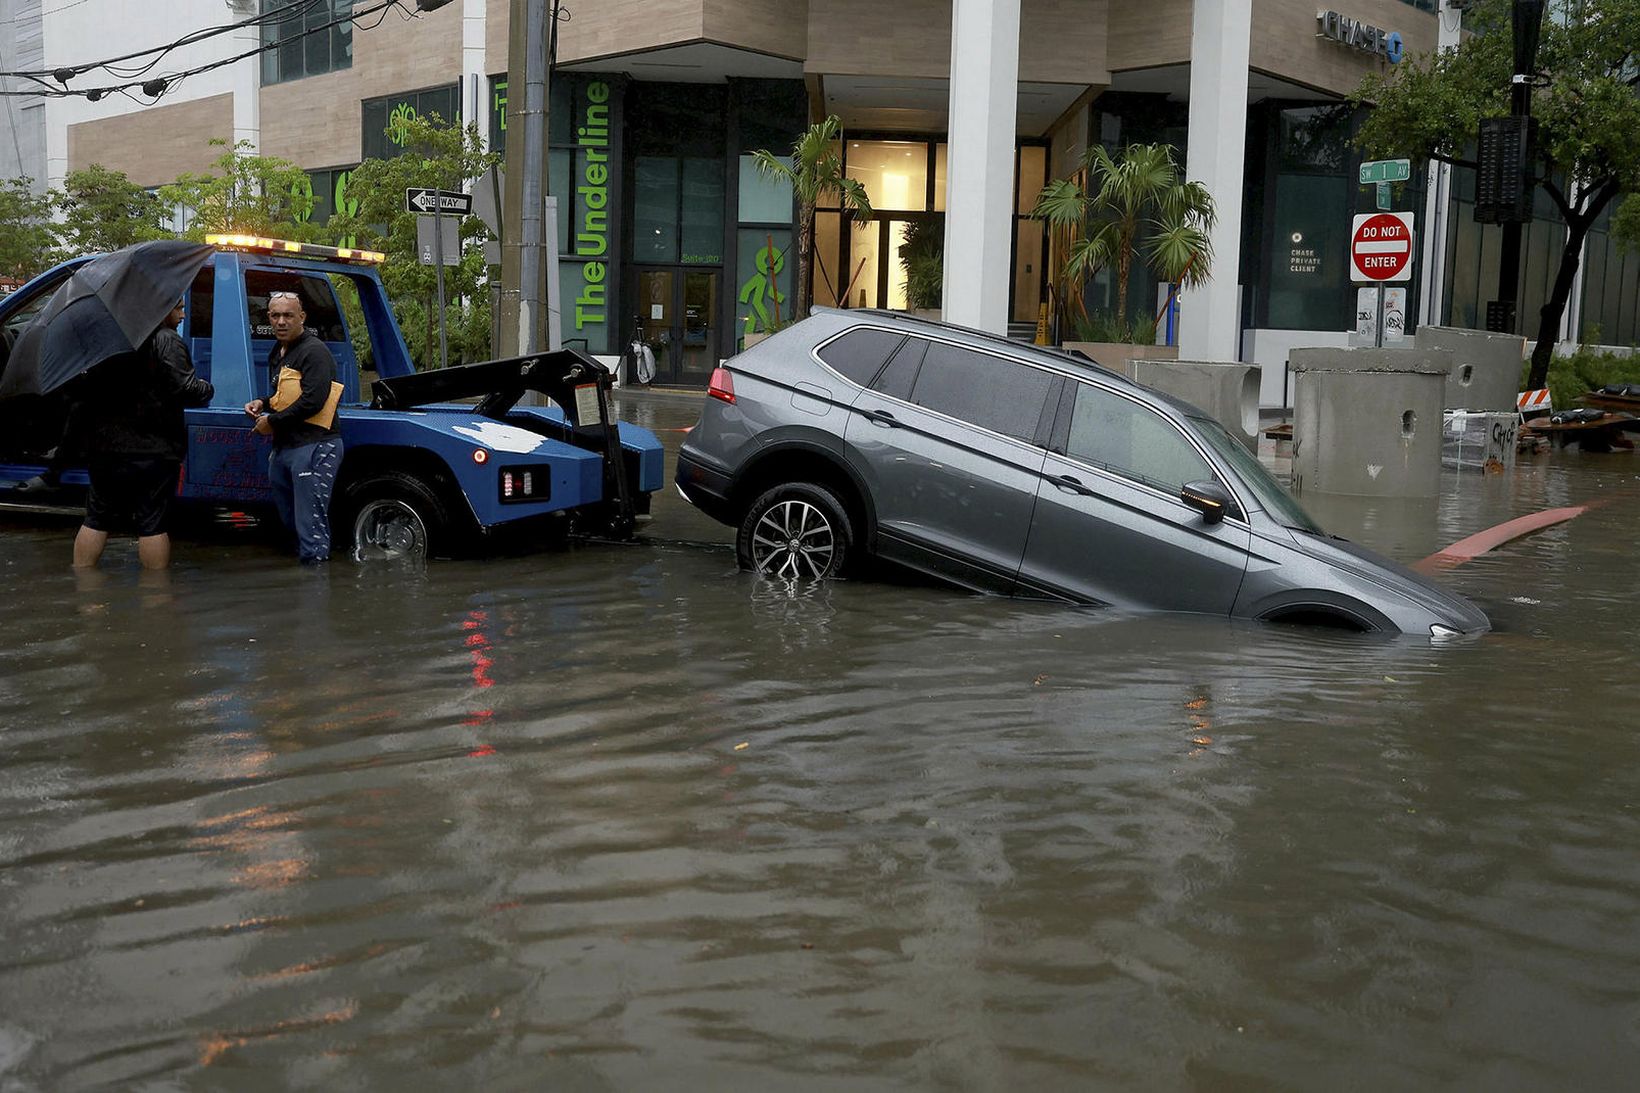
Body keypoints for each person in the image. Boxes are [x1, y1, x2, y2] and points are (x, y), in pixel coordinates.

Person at [72, 297, 214, 569]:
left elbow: (83, 388)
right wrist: (207, 387)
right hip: (153, 449)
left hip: (105, 447)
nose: (183, 315)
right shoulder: (166, 340)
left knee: (96, 517)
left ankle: (85, 593)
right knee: (152, 523)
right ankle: (155, 601)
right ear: (161, 310)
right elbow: (187, 389)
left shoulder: (106, 339)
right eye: (179, 308)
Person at [244, 290, 343, 564]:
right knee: (290, 523)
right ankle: (304, 589)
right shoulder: (279, 350)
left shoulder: (314, 351)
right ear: (268, 318)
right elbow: (285, 395)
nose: (281, 322)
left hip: (314, 446)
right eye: (275, 315)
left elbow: (313, 400)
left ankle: (316, 584)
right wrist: (262, 403)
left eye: (288, 315)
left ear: (302, 317)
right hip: (284, 448)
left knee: (311, 526)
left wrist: (271, 422)